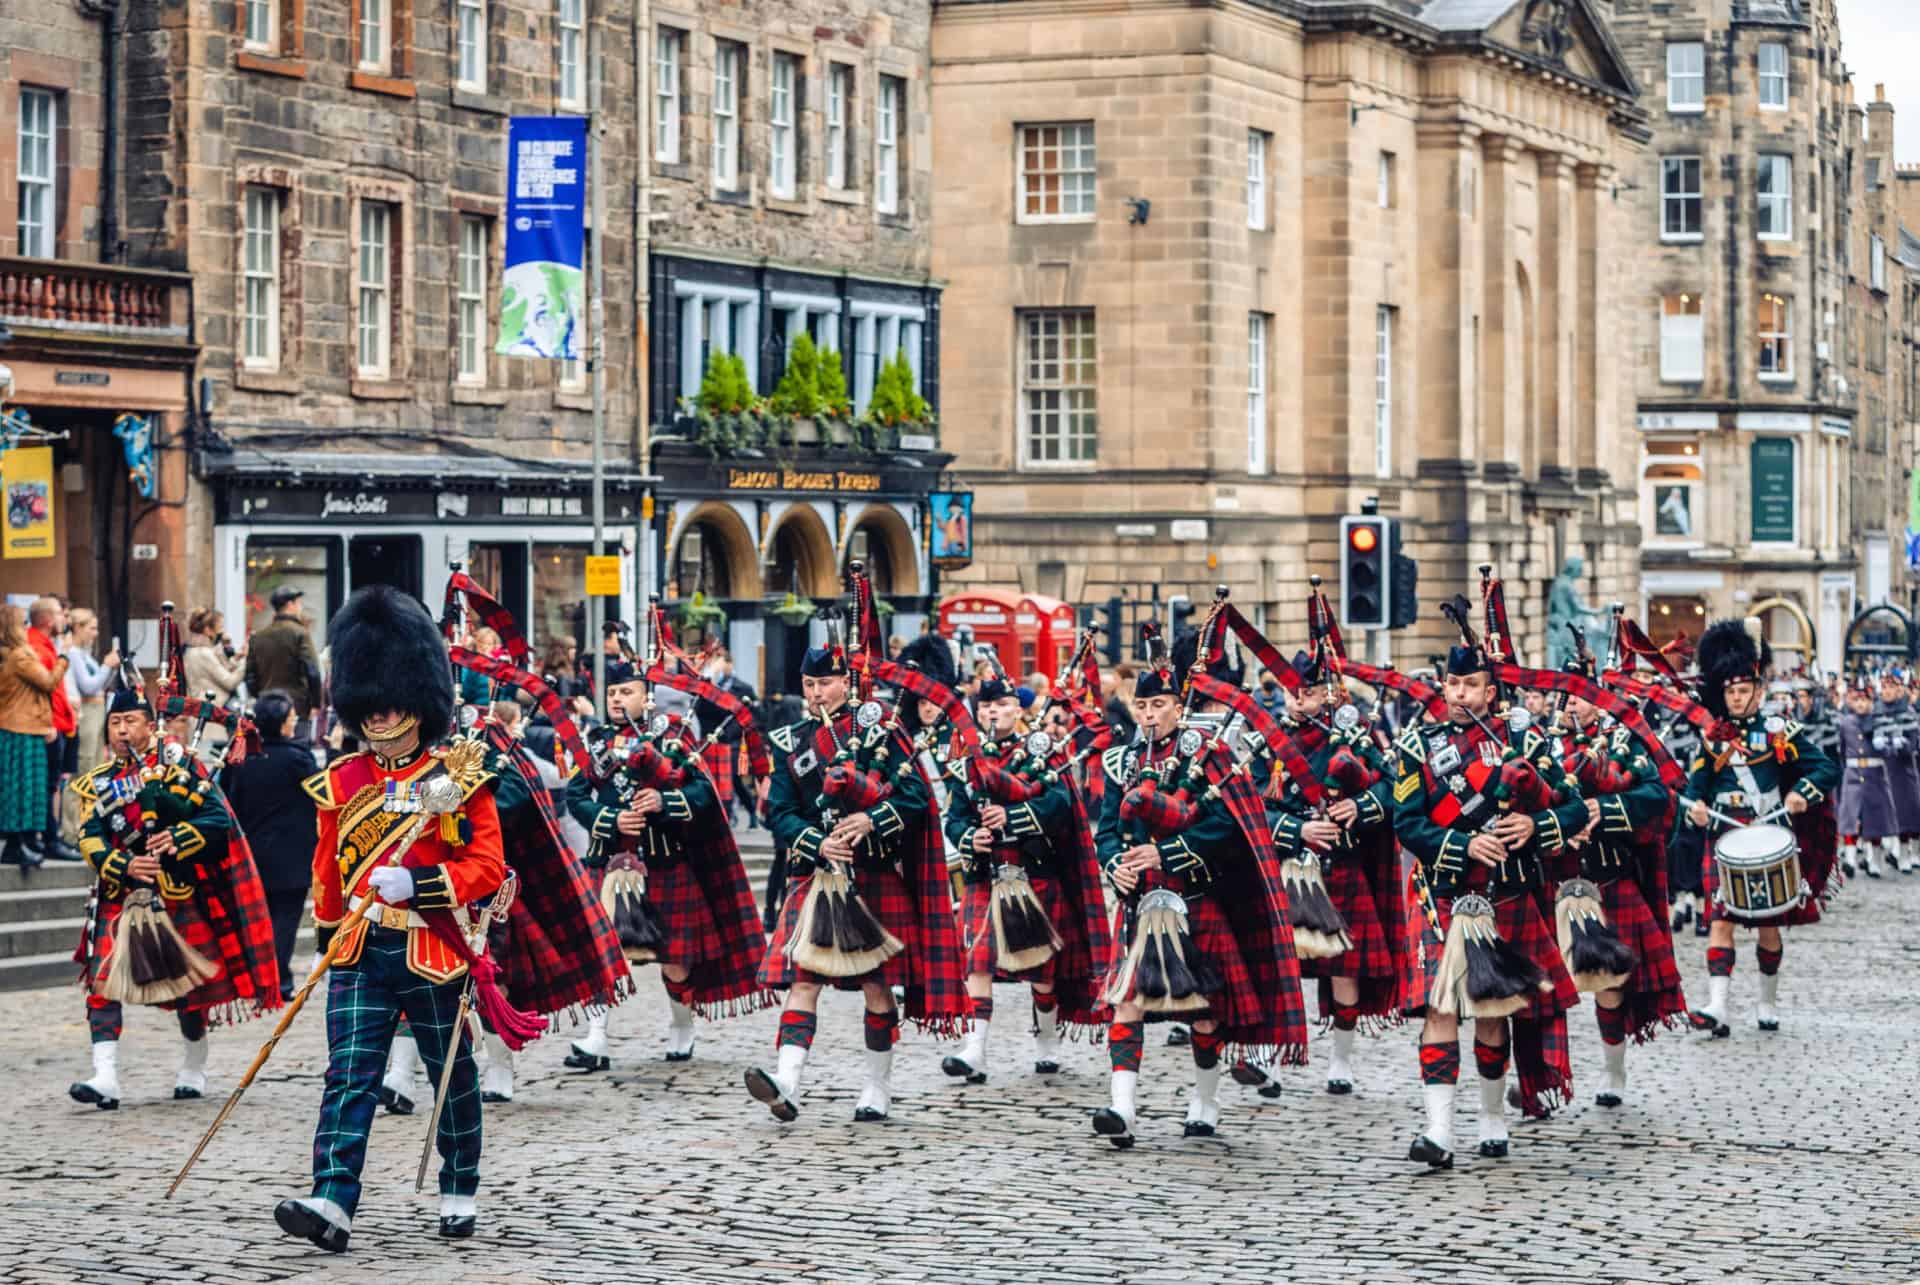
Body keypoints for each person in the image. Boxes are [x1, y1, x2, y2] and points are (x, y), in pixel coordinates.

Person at [276, 585, 509, 1252]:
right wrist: (329, 933)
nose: (379, 716)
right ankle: (333, 1197)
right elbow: (328, 872)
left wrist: (420, 882)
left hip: (429, 947)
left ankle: (459, 1180)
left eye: (393, 701)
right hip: (357, 948)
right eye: (368, 703)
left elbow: (486, 865)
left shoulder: (451, 779)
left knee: (449, 1075)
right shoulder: (343, 781)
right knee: (349, 1072)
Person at [1090, 626, 1308, 1147]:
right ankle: (1122, 1107)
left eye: (1159, 704)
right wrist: (1116, 863)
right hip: (1143, 904)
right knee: (1128, 1002)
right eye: (1141, 704)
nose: (1148, 714)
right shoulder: (1120, 762)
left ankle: (1205, 1101)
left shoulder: (1209, 757)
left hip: (1196, 897)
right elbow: (1105, 831)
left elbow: (1223, 829)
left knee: (1207, 1010)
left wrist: (1163, 853)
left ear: (1178, 707)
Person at [1391, 603, 1589, 1170]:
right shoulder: (1417, 746)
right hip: (1443, 895)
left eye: (1470, 685)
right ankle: (1438, 1130)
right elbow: (1407, 821)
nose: (1458, 694)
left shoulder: (1526, 741)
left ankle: (1492, 1116)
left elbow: (1574, 808)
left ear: (1492, 691)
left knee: (1492, 1011)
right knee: (1440, 1008)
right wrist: (1460, 845)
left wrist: (1535, 825)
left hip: (1505, 894)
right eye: (1452, 683)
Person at [745, 633, 969, 1124]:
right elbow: (779, 813)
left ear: (847, 683)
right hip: (818, 876)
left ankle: (876, 1087)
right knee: (802, 982)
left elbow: (915, 800)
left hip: (872, 876)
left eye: (824, 682)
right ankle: (787, 1080)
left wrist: (872, 819)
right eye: (809, 683)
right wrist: (816, 842)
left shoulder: (883, 734)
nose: (816, 692)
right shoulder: (792, 742)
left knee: (877, 987)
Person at [67, 675, 281, 1110]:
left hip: (177, 891)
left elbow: (219, 823)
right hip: (121, 891)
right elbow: (89, 835)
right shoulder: (99, 782)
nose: (122, 731)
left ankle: (194, 1065)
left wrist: (179, 837)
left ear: (151, 725)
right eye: (114, 723)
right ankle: (105, 1075)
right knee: (102, 982)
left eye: (130, 721)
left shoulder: (183, 767)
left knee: (189, 993)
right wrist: (121, 863)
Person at [563, 656, 771, 1071]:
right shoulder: (598, 742)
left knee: (675, 959)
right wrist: (611, 819)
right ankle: (596, 1038)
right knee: (603, 953)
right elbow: (577, 796)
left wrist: (664, 801)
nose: (618, 700)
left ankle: (681, 1025)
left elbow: (702, 795)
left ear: (647, 696)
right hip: (610, 860)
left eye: (627, 692)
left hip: (663, 862)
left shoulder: (673, 739)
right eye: (612, 693)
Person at [1237, 648, 1405, 1100]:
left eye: (1307, 693)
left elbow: (1393, 789)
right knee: (1278, 965)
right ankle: (1265, 1058)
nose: (1297, 701)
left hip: (1340, 864)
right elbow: (1249, 805)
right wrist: (1296, 828)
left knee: (1342, 968)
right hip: (1286, 865)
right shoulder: (1270, 740)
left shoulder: (1356, 736)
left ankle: (1341, 1060)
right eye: (1292, 693)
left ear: (1328, 694)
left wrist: (1360, 806)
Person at [941, 657, 1109, 1084]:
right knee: (977, 962)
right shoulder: (967, 760)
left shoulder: (1044, 754)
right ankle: (975, 1050)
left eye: (999, 706)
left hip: (1035, 874)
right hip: (986, 875)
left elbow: (1061, 807)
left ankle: (1047, 1043)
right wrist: (968, 838)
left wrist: (1011, 820)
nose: (991, 713)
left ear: (1018, 710)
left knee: (1042, 975)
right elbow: (955, 817)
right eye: (984, 708)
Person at [1683, 620, 1838, 1037]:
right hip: (1724, 839)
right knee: (1720, 920)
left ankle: (1767, 1001)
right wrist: (1695, 809)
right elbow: (1695, 788)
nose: (1735, 699)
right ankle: (1717, 1005)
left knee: (1767, 924)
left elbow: (1825, 767)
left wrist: (1801, 792)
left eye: (1742, 691)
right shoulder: (1714, 739)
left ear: (1758, 691)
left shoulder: (1779, 732)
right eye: (1729, 692)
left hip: (1767, 835)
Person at [1553, 654, 1687, 1108]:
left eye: (1581, 696)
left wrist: (1602, 812)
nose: (1572, 704)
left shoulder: (1623, 743)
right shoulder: (1538, 743)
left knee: (1608, 984)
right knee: (1541, 989)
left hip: (1607, 879)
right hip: (1551, 881)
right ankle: (1541, 1073)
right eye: (1566, 695)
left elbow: (1657, 796)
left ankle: (1614, 1071)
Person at [218, 690, 317, 1001]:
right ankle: (277, 980)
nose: (293, 724)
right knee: (284, 921)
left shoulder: (242, 758)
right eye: (290, 719)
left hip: (253, 850)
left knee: (256, 918)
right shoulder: (298, 759)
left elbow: (227, 799)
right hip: (292, 853)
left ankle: (258, 977)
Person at [1, 605, 68, 868]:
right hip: (20, 728)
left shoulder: (13, 655)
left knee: (25, 790)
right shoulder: (19, 656)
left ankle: (21, 844)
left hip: (24, 727)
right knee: (22, 789)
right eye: (21, 622)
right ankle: (16, 845)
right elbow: (49, 682)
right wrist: (64, 656)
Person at [27, 598, 81, 862]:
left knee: (52, 783)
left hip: (58, 723)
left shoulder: (46, 644)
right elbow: (45, 687)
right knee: (48, 785)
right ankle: (48, 839)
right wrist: (64, 655)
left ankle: (49, 837)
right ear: (48, 619)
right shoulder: (36, 646)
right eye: (61, 614)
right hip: (49, 725)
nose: (65, 620)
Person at [245, 586, 323, 737]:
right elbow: (312, 669)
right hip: (296, 707)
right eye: (298, 603)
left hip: (266, 707)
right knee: (297, 751)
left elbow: (250, 676)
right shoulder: (299, 633)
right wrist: (316, 703)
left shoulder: (259, 636)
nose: (300, 607)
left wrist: (260, 696)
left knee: (268, 751)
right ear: (290, 604)